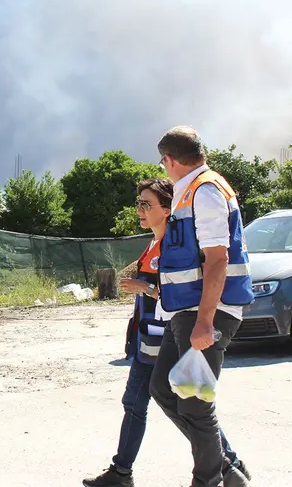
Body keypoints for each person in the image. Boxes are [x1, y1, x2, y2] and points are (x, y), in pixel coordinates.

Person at [83, 178, 250, 487]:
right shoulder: (152, 245)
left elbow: (182, 293)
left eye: (146, 204)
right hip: (146, 341)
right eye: (138, 204)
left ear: (167, 207)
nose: (139, 211)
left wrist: (145, 287)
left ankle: (228, 464)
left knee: (192, 407)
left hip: (166, 339)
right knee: (139, 404)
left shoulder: (175, 245)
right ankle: (122, 471)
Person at [148, 126, 254, 487]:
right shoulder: (188, 190)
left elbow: (217, 259)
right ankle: (224, 468)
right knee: (163, 389)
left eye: (163, 163)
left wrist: (205, 322)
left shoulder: (205, 190)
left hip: (206, 312)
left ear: (170, 160)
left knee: (193, 402)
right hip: (185, 311)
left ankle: (210, 478)